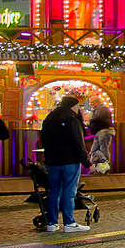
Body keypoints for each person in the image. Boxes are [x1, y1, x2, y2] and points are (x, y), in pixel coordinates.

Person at [39, 95, 90, 232]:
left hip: (52, 161)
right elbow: (78, 143)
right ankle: (69, 223)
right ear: (74, 106)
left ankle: (52, 222)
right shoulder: (72, 120)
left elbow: (43, 140)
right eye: (78, 106)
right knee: (69, 192)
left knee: (53, 192)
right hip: (70, 161)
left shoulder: (49, 119)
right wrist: (86, 161)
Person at [86, 106, 114, 175]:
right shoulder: (100, 110)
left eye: (92, 102)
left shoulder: (101, 109)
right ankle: (102, 165)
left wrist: (90, 121)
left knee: (103, 148)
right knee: (93, 150)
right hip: (100, 131)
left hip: (104, 131)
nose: (90, 104)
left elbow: (97, 118)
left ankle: (105, 164)